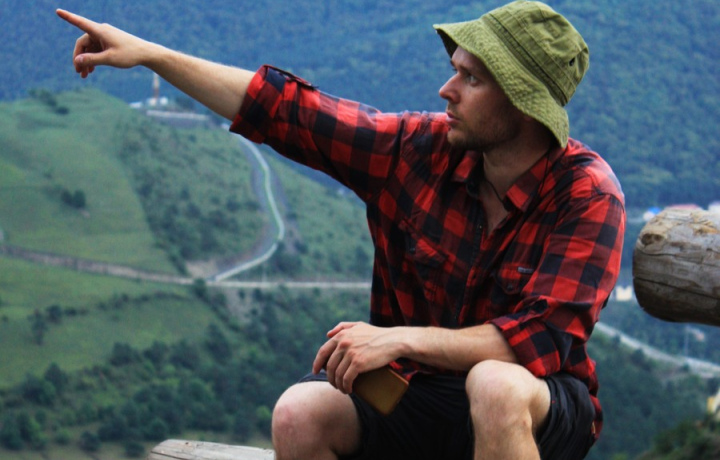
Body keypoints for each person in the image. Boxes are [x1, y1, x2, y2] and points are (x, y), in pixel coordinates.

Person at [57, 1, 625, 459]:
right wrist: (152, 56)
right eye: (456, 70)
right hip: (416, 391)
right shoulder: (419, 151)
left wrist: (398, 339)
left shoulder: (586, 194)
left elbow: (536, 341)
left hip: (536, 409)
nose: (446, 90)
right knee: (299, 414)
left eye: (470, 78)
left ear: (523, 105)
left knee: (494, 385)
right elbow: (289, 112)